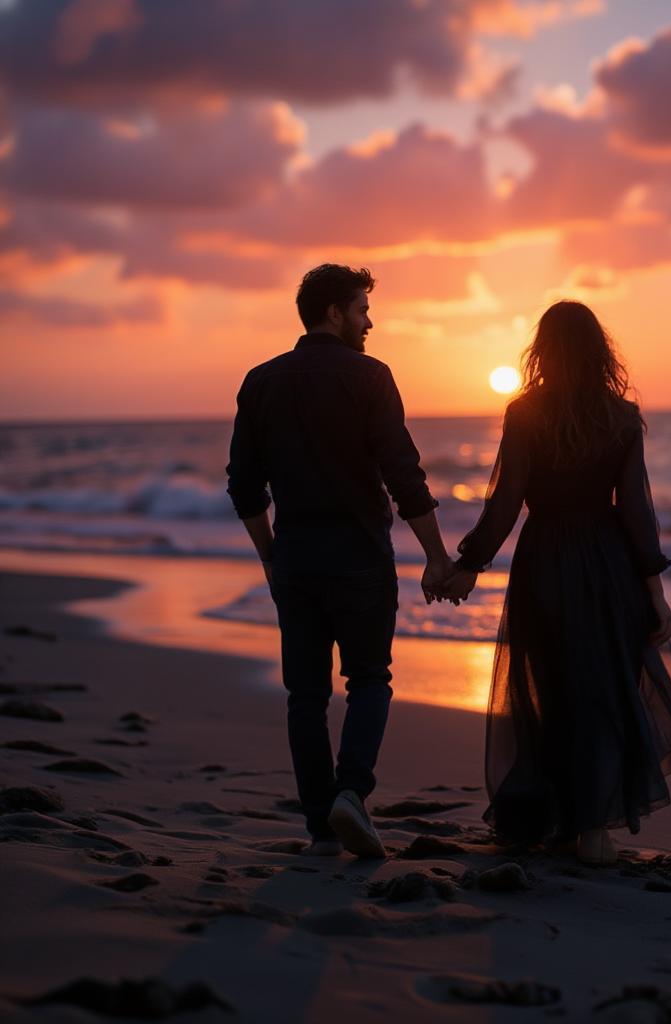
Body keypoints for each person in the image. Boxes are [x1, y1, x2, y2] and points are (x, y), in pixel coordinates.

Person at [442, 301, 671, 865]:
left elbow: (506, 501)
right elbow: (637, 509)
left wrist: (469, 564)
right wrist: (654, 591)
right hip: (608, 563)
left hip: (545, 562)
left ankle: (566, 823)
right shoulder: (620, 415)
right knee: (605, 694)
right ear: (599, 350)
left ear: (542, 350)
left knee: (553, 693)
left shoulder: (525, 413)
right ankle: (592, 830)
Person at [226, 264, 452, 858]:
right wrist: (437, 558)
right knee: (370, 679)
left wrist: (272, 558)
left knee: (305, 695)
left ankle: (320, 826)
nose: (368, 321)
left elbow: (244, 487)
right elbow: (405, 476)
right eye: (361, 309)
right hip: (359, 560)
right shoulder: (371, 377)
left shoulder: (260, 382)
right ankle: (351, 792)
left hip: (296, 561)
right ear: (334, 313)